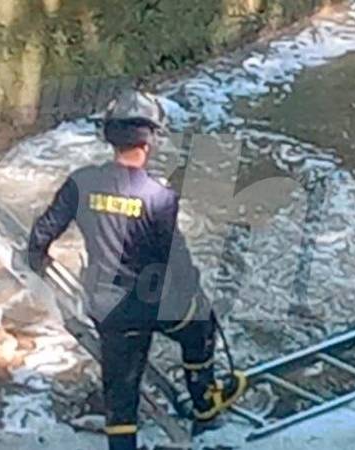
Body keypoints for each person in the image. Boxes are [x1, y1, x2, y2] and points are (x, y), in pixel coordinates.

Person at [25, 89, 246, 450]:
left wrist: (37, 259)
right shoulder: (160, 197)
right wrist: (196, 296)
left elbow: (42, 233)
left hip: (108, 310)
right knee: (200, 328)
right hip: (153, 305)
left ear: (110, 136)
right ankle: (206, 409)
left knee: (121, 401)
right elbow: (177, 263)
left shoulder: (81, 182)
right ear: (150, 140)